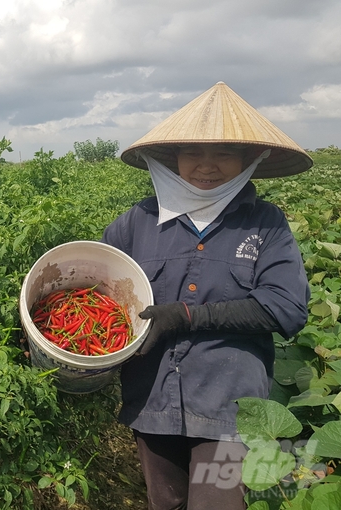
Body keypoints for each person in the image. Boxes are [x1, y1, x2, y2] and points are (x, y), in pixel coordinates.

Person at [101, 82, 311, 510]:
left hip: (231, 406)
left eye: (224, 154)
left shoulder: (265, 224)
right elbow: (98, 292)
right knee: (168, 504)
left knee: (217, 504)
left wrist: (187, 316)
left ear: (248, 161)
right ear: (174, 159)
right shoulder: (136, 223)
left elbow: (286, 307)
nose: (207, 166)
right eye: (194, 153)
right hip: (153, 399)